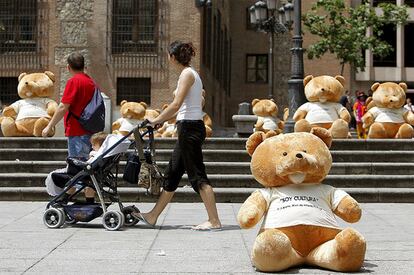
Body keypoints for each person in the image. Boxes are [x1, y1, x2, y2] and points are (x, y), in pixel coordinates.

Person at [132, 41, 222, 230]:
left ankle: (214, 221)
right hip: (188, 127)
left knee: (198, 175)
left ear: (172, 57)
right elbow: (183, 108)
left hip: (189, 129)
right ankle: (153, 216)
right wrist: (164, 120)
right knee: (172, 174)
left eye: (168, 55)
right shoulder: (191, 74)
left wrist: (155, 120)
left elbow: (176, 104)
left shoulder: (187, 74)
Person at [42, 52, 95, 161]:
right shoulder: (90, 82)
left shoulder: (74, 81)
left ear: (68, 67)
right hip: (89, 130)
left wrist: (49, 126)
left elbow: (63, 107)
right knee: (86, 166)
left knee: (77, 167)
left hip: (77, 131)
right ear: (84, 66)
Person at [45, 131, 108, 202]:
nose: (92, 147)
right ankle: (89, 202)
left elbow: (89, 163)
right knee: (78, 183)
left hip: (86, 173)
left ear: (101, 145)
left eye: (94, 145)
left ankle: (64, 200)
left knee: (71, 180)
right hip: (93, 174)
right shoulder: (104, 155)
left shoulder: (95, 154)